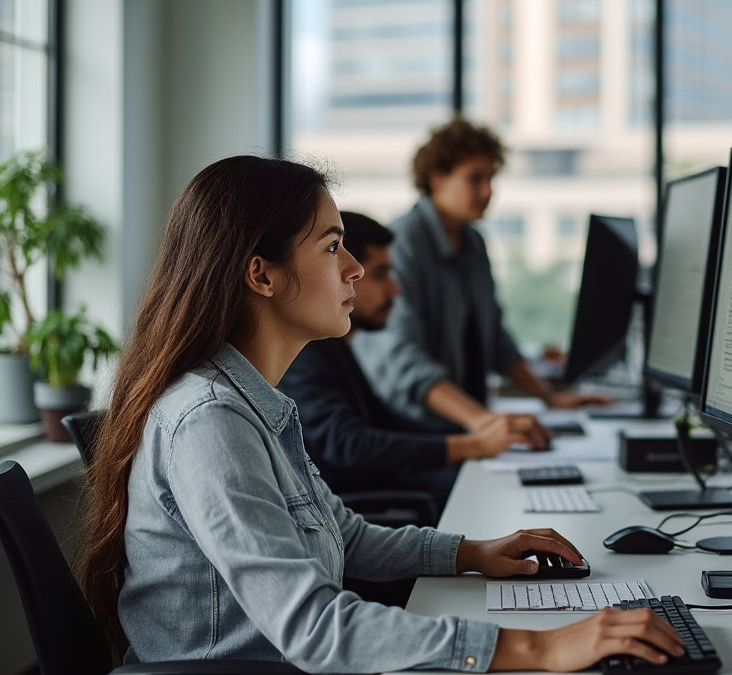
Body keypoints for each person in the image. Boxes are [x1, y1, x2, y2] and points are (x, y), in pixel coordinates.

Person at [75, 155, 683, 673]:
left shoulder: (255, 405)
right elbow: (313, 627)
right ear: (261, 274)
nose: (356, 270)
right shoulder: (210, 422)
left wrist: (471, 552)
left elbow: (346, 535)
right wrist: (538, 647)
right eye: (332, 247)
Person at [278, 211, 549, 516]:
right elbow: (348, 443)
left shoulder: (335, 347)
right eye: (381, 275)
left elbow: (387, 423)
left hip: (375, 490)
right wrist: (470, 444)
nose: (396, 290)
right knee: (490, 491)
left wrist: (481, 432)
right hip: (351, 510)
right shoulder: (306, 353)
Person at [353, 117, 611, 431]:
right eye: (475, 179)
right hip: (415, 429)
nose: (488, 191)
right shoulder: (404, 242)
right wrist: (484, 423)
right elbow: (403, 359)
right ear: (437, 179)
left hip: (467, 421)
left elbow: (495, 339)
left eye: (491, 179)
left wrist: (549, 397)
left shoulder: (473, 242)